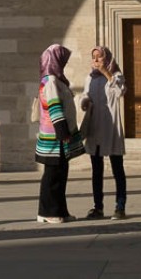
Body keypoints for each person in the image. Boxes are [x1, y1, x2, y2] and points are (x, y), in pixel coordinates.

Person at [35, 43, 85, 224]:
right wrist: (63, 132)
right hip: (54, 139)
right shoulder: (50, 81)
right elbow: (54, 107)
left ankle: (60, 211)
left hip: (58, 138)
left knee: (60, 173)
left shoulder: (56, 80)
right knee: (53, 175)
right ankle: (48, 212)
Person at [81, 45, 129, 220]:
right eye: (93, 57)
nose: (96, 60)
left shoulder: (116, 76)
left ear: (106, 59)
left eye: (99, 57)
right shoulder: (90, 78)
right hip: (95, 127)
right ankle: (97, 207)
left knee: (117, 169)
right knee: (96, 170)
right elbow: (85, 95)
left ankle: (120, 206)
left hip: (111, 128)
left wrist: (106, 73)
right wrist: (84, 101)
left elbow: (120, 92)